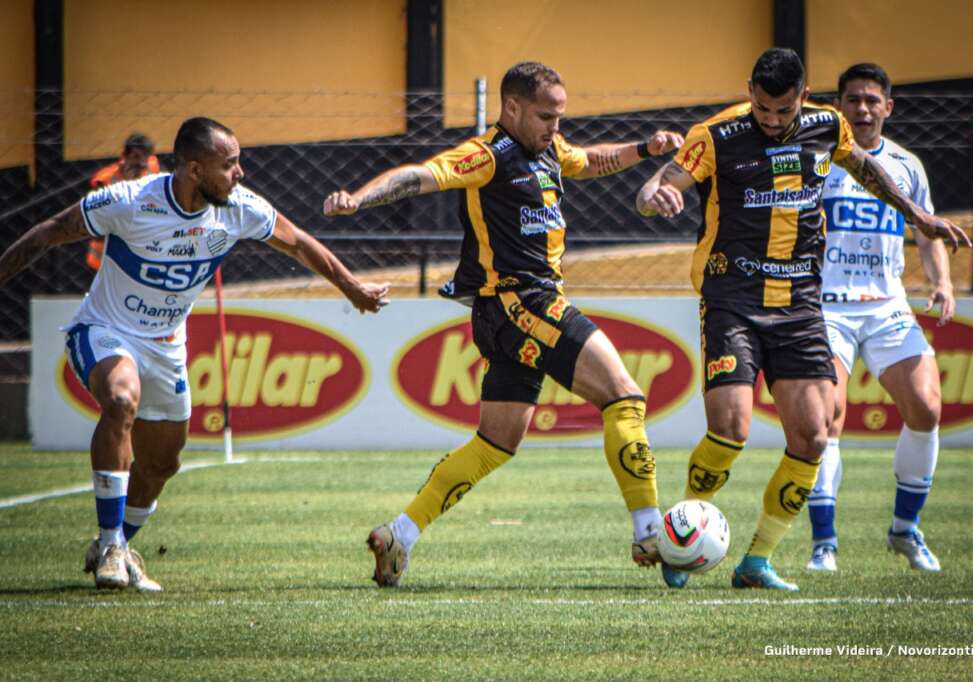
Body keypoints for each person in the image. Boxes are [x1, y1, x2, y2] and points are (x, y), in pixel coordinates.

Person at [323, 61, 685, 588]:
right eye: (545, 116)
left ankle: (399, 533)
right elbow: (419, 175)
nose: (555, 127)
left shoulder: (551, 151)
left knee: (497, 440)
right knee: (623, 396)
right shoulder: (486, 155)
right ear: (511, 107)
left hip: (506, 314)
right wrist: (360, 198)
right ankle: (651, 532)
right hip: (522, 303)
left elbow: (589, 160)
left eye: (560, 116)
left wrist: (644, 152)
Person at [0, 117, 389, 591]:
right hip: (105, 329)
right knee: (122, 400)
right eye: (229, 165)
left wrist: (352, 289)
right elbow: (46, 233)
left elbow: (300, 243)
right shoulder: (129, 199)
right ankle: (110, 544)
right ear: (194, 170)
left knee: (164, 464)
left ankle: (120, 543)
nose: (241, 173)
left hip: (166, 345)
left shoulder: (239, 208)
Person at [636, 48, 970, 591]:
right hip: (732, 299)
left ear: (803, 96)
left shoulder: (825, 124)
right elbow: (657, 187)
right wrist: (659, 193)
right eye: (763, 109)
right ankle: (682, 536)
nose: (771, 121)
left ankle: (756, 562)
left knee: (813, 437)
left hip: (798, 304)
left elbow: (865, 168)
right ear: (750, 91)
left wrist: (918, 216)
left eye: (783, 111)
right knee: (730, 427)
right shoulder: (714, 135)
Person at [805, 63, 960, 573]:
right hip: (827, 306)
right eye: (853, 100)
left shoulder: (908, 165)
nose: (864, 109)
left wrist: (942, 281)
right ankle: (824, 544)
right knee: (827, 418)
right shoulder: (820, 159)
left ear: (888, 107)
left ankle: (905, 530)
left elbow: (925, 230)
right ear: (839, 106)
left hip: (887, 306)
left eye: (873, 100)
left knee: (927, 406)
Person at [86, 133, 162, 271]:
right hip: (105, 258)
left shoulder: (152, 167)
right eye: (136, 157)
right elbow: (99, 222)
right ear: (124, 156)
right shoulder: (104, 180)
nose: (142, 163)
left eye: (145, 157)